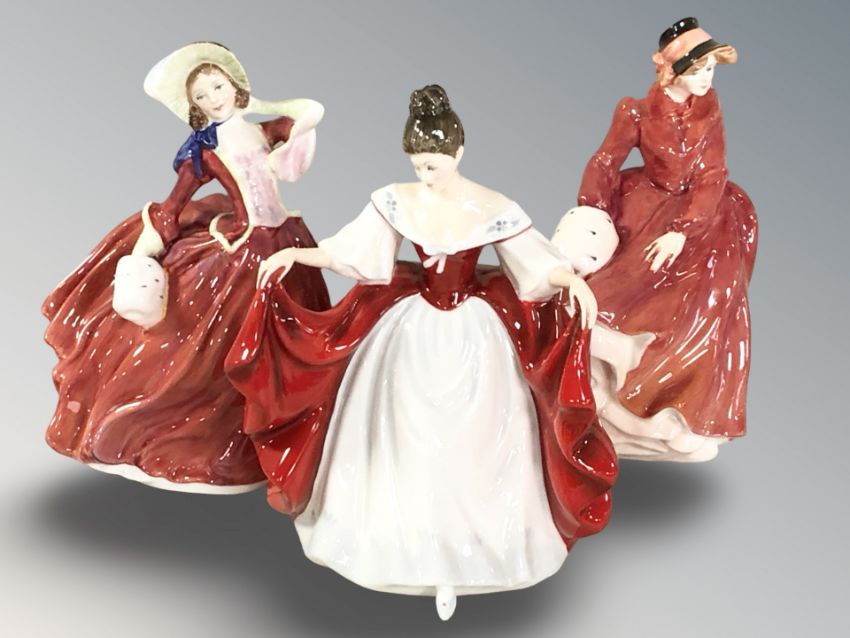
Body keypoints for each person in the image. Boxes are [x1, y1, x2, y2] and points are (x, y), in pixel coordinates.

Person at [226, 85, 617, 619]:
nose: (424, 174)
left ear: (457, 152)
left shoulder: (492, 205)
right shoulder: (397, 199)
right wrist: (297, 254)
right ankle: (396, 544)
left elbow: (533, 262)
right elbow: (352, 251)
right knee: (397, 428)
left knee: (480, 435)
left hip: (476, 333)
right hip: (409, 328)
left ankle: (476, 548)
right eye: (417, 164)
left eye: (432, 164)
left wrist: (569, 280)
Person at [43, 42, 330, 493]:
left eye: (218, 86)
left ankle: (283, 435)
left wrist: (263, 103)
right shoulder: (204, 153)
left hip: (286, 245)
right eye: (202, 95)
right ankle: (217, 440)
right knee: (218, 353)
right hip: (244, 252)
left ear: (234, 86)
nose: (214, 98)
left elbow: (311, 113)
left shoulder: (266, 130)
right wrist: (144, 251)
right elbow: (171, 208)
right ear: (194, 107)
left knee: (286, 346)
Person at [576, 18, 758, 461]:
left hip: (706, 212)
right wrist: (592, 210)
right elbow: (604, 161)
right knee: (628, 285)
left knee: (714, 293)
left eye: (711, 69)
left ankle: (678, 409)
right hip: (647, 203)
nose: (707, 79)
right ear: (672, 70)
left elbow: (713, 173)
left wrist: (683, 230)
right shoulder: (634, 112)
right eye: (698, 70)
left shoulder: (709, 108)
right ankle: (612, 383)